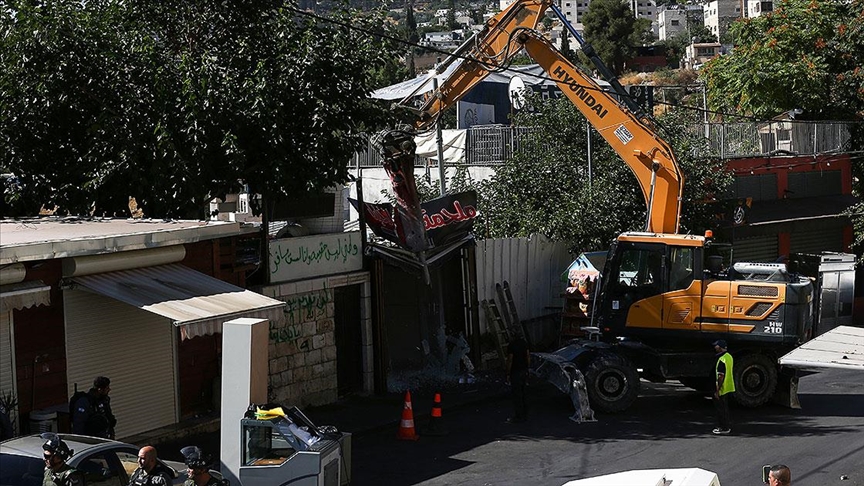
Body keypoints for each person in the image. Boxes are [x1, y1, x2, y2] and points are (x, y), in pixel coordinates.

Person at [505, 334, 530, 423]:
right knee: (524, 393)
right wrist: (527, 368)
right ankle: (525, 414)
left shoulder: (511, 345)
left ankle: (518, 415)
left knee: (517, 394)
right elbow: (527, 356)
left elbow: (510, 360)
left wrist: (507, 372)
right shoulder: (524, 343)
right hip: (523, 370)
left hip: (515, 371)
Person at [712, 339, 735, 435]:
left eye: (716, 346)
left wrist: (717, 391)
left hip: (722, 388)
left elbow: (721, 376)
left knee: (720, 410)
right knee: (725, 409)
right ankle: (726, 427)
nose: (715, 347)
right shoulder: (729, 357)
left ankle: (723, 428)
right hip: (729, 386)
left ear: (720, 347)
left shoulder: (721, 360)